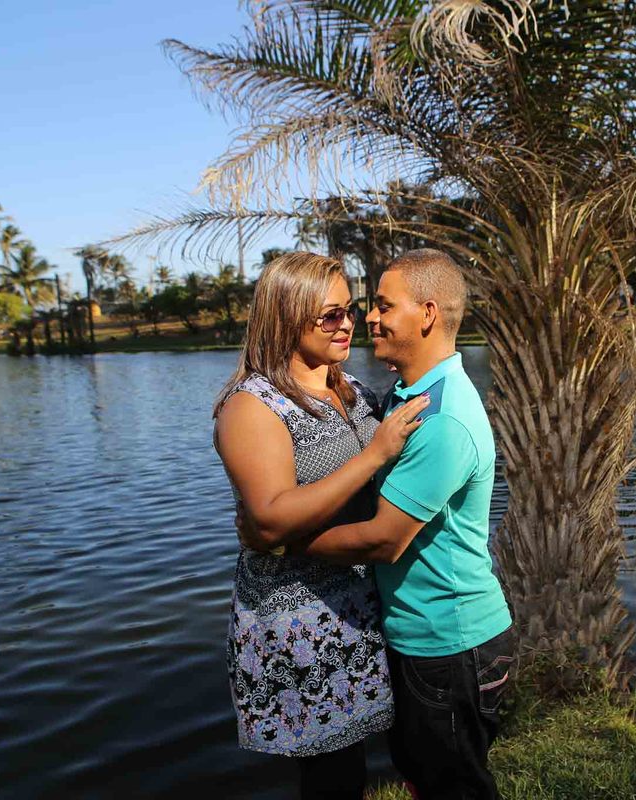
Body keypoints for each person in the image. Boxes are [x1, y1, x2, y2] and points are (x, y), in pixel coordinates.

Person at [287, 249, 516, 800]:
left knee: (455, 789)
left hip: (448, 643)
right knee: (424, 777)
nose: (370, 317)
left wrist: (285, 542)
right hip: (424, 639)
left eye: (384, 305)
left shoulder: (442, 419)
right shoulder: (409, 397)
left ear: (428, 314)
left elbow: (385, 539)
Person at [212, 252, 431, 800]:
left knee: (378, 762)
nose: (347, 324)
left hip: (364, 607)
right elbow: (270, 519)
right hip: (302, 621)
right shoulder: (252, 406)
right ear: (287, 317)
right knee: (332, 778)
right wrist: (375, 454)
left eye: (349, 311)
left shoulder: (353, 389)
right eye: (330, 315)